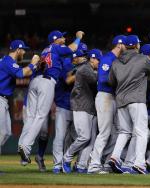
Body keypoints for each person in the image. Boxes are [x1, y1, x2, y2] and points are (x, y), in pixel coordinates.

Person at [18, 30, 84, 163]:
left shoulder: (45, 50)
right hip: (46, 82)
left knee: (31, 116)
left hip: (34, 82)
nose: (64, 39)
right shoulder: (55, 47)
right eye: (62, 37)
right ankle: (26, 146)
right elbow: (73, 48)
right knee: (40, 116)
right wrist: (78, 38)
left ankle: (22, 144)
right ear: (56, 39)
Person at [108, 35, 150, 174]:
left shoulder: (116, 62)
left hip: (121, 100)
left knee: (124, 131)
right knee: (141, 132)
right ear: (137, 45)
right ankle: (139, 164)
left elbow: (111, 82)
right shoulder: (143, 59)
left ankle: (115, 156)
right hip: (136, 99)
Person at [88, 35, 126, 174]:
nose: (127, 47)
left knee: (116, 133)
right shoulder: (107, 58)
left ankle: (107, 163)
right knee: (104, 133)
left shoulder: (117, 60)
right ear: (119, 45)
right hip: (105, 96)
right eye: (125, 45)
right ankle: (93, 165)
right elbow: (103, 78)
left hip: (113, 97)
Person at [62, 49, 102, 173]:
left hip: (90, 107)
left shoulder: (89, 68)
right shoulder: (85, 68)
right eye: (98, 60)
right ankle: (67, 158)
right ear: (93, 59)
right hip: (80, 106)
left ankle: (81, 165)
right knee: (84, 137)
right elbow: (97, 79)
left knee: (91, 139)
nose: (99, 63)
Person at [52, 43, 88, 174]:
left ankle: (74, 163)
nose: (84, 57)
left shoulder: (82, 67)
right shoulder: (67, 64)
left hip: (77, 107)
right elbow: (68, 80)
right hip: (64, 105)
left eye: (85, 54)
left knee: (77, 137)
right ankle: (57, 165)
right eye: (82, 54)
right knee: (60, 136)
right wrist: (82, 70)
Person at [0, 40, 40, 154]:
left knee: (6, 133)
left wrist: (34, 67)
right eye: (23, 50)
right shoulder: (8, 61)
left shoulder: (8, 62)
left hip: (3, 100)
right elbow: (20, 74)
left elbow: (23, 72)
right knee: (2, 132)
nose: (24, 53)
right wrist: (32, 63)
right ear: (18, 50)